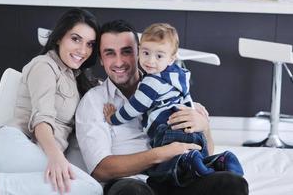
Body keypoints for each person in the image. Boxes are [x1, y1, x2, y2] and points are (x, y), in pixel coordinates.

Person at [75, 20, 249, 195]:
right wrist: (160, 154)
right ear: (101, 59)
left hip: (177, 175)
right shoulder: (94, 101)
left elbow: (203, 151)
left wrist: (204, 127)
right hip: (132, 181)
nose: (119, 62)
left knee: (232, 183)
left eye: (127, 51)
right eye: (110, 53)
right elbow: (101, 169)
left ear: (137, 52)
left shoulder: (168, 89)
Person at [0, 8, 103, 195]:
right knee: (91, 188)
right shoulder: (45, 65)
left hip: (23, 162)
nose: (83, 50)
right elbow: (42, 119)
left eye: (90, 44)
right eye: (75, 39)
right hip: (10, 149)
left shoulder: (75, 79)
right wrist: (56, 157)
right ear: (59, 38)